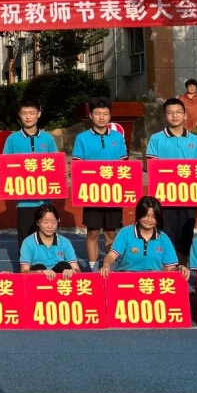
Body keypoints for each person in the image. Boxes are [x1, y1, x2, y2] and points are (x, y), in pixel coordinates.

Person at [145, 98, 197, 264]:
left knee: (185, 237)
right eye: (170, 112)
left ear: (185, 115)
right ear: (165, 116)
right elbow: (152, 166)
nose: (175, 116)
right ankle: (166, 272)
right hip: (164, 197)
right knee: (164, 235)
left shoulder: (195, 140)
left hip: (189, 196)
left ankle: (182, 271)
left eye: (178, 112)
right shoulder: (156, 139)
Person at [72, 97, 128, 272]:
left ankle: (109, 267)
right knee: (93, 232)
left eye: (105, 113)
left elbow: (124, 166)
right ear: (90, 115)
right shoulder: (82, 138)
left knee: (111, 233)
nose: (101, 117)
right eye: (97, 113)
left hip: (113, 193)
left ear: (110, 115)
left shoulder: (118, 138)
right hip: (92, 192)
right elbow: (77, 166)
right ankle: (94, 269)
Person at [2, 98, 58, 250]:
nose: (28, 116)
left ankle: (47, 264)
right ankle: (25, 264)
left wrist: (62, 173)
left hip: (46, 199)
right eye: (24, 113)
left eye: (32, 113)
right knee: (26, 239)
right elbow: (5, 166)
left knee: (47, 239)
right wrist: (2, 175)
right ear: (19, 115)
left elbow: (56, 165)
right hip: (24, 201)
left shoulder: (48, 139)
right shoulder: (12, 140)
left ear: (39, 114)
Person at [99, 196, 189, 279]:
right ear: (138, 214)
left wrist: (180, 269)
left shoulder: (163, 238)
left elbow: (171, 267)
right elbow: (112, 255)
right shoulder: (125, 233)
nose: (149, 220)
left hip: (152, 282)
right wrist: (106, 265)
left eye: (154, 217)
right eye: (145, 215)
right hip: (126, 280)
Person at [19, 203, 80, 280]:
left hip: (60, 281)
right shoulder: (28, 242)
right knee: (39, 266)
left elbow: (77, 269)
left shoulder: (65, 242)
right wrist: (41, 272)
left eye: (53, 222)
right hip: (38, 281)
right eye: (45, 222)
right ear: (37, 222)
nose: (50, 226)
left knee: (64, 266)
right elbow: (24, 271)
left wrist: (72, 271)